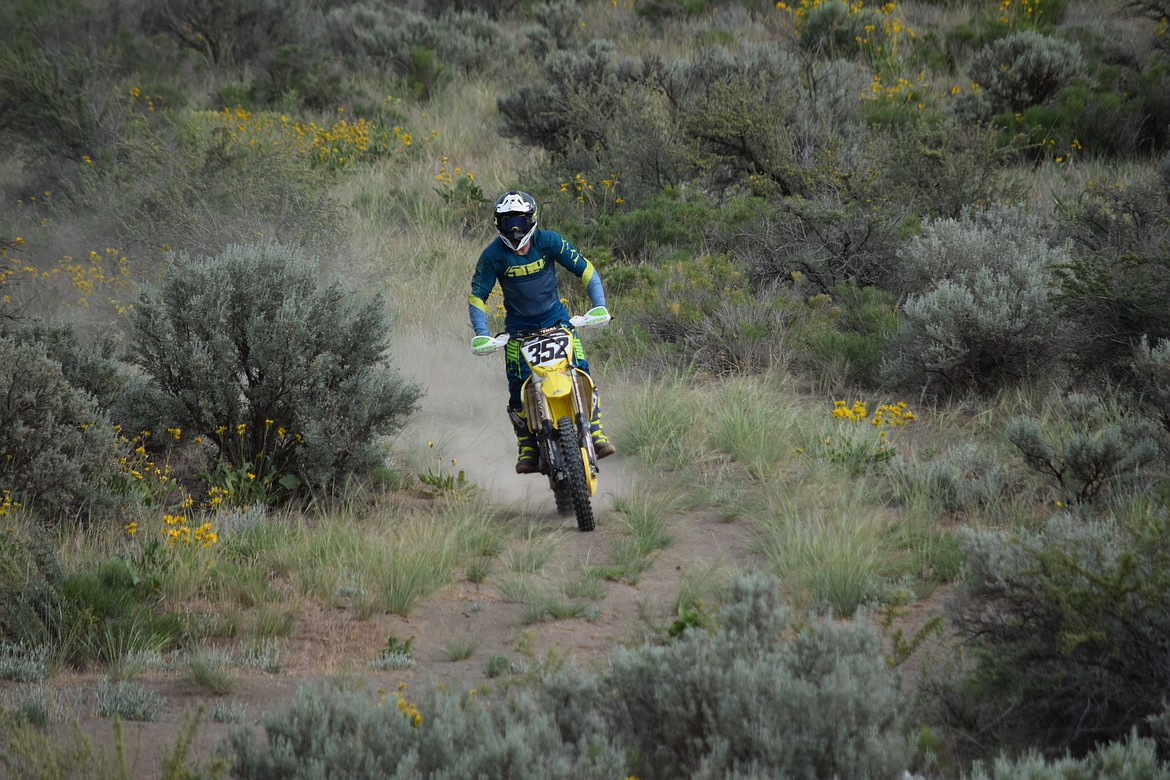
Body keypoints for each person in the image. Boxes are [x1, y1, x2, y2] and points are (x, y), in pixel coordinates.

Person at [468, 189, 615, 474]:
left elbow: (585, 270)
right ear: (497, 224)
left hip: (559, 324)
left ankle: (595, 432)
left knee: (582, 373)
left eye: (520, 222)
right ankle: (526, 445)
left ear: (531, 221)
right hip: (518, 334)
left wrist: (600, 305)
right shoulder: (492, 257)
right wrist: (481, 332)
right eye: (508, 221)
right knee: (517, 390)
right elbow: (477, 297)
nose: (514, 229)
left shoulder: (548, 241)